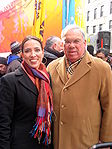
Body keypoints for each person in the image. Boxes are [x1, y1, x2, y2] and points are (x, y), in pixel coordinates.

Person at [47, 24, 112, 149]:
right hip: (58, 140)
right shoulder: (52, 67)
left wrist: (106, 141)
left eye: (76, 41)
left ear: (84, 43)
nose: (72, 46)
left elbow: (109, 106)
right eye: (67, 42)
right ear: (62, 44)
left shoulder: (102, 68)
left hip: (87, 141)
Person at [0, 35, 53, 149]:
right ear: (22, 55)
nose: (33, 54)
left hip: (44, 143)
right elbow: (3, 122)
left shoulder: (47, 78)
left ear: (42, 53)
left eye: (37, 50)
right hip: (21, 144)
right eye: (28, 51)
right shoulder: (10, 80)